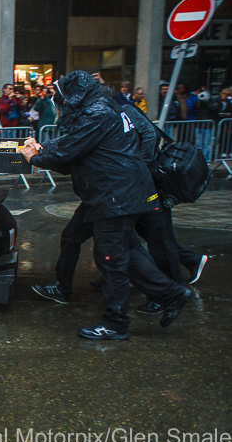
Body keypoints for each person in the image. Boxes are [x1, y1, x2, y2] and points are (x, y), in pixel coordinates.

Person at [19, 70, 191, 340]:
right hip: (115, 193)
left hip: (115, 195)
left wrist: (35, 156)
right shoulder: (101, 108)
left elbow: (69, 151)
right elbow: (73, 146)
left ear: (74, 97)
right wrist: (42, 149)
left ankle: (116, 323)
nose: (58, 103)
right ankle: (172, 294)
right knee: (126, 252)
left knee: (110, 259)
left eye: (60, 98)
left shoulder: (96, 112)